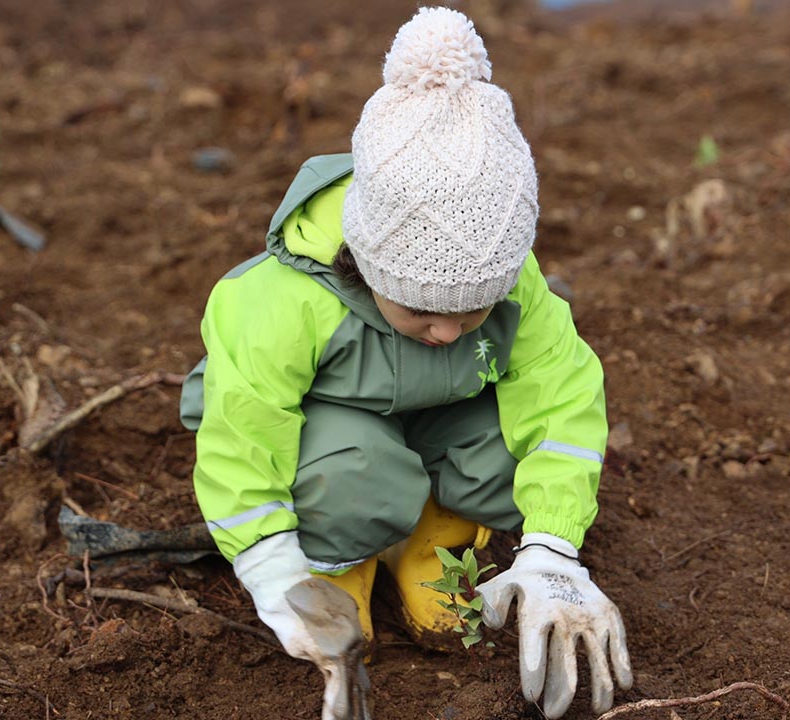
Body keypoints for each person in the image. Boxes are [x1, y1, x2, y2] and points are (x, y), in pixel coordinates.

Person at [179, 7, 632, 718]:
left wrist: (552, 546)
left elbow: (561, 404)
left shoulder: (515, 282)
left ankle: (431, 546)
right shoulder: (282, 300)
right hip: (339, 434)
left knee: (510, 456)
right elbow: (243, 435)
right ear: (368, 262)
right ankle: (341, 567)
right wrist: (272, 566)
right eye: (421, 308)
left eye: (474, 308)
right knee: (351, 477)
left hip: (441, 416)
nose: (449, 331)